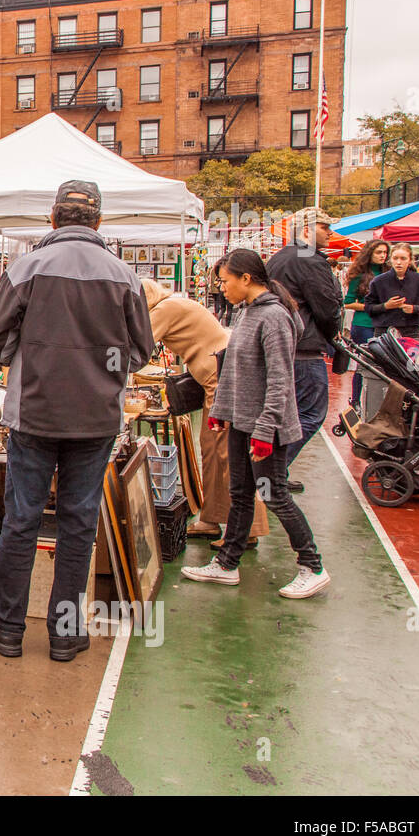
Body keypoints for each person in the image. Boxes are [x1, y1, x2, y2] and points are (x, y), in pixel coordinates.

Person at [0, 181, 154, 662]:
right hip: (95, 419)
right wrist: (102, 370)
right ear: (98, 223)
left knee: (21, 521)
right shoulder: (124, 275)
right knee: (78, 524)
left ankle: (8, 627)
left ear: (53, 219)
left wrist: (26, 359)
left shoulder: (26, 267)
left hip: (34, 414)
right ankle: (65, 633)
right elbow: (142, 351)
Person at [183, 249, 328, 599]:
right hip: (243, 421)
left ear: (246, 279)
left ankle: (313, 566)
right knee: (241, 494)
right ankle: (227, 564)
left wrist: (265, 430)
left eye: (225, 280)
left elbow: (280, 380)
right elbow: (233, 368)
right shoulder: (247, 312)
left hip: (266, 427)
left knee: (274, 495)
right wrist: (222, 409)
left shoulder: (274, 317)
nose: (222, 288)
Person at [141, 279, 268, 546]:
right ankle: (212, 518)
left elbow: (140, 344)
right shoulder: (175, 303)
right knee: (212, 450)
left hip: (220, 380)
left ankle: (248, 528)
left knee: (226, 453)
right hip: (216, 379)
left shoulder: (164, 309)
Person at [264, 207, 343, 492]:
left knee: (286, 415)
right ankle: (273, 472)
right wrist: (333, 334)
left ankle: (273, 473)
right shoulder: (309, 259)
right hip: (304, 350)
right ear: (307, 230)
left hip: (282, 347)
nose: (330, 232)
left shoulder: (279, 258)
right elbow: (327, 307)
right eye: (325, 227)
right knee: (310, 414)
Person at [341, 239, 389, 407]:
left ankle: (378, 402)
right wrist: (373, 307)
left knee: (383, 366)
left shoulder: (389, 273)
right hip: (364, 325)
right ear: (370, 253)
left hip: (384, 325)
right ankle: (355, 401)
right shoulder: (360, 275)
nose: (383, 256)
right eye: (379, 252)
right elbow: (347, 302)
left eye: (385, 252)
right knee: (364, 365)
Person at [367, 243, 419, 340]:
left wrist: (414, 309)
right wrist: (386, 306)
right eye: (395, 258)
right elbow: (369, 307)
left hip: (411, 331)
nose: (398, 262)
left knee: (411, 356)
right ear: (390, 260)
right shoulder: (378, 281)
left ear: (410, 260)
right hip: (384, 331)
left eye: (403, 258)